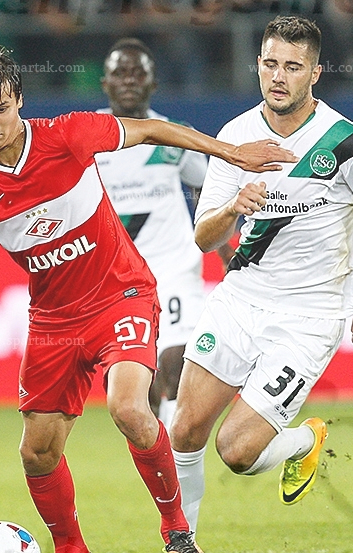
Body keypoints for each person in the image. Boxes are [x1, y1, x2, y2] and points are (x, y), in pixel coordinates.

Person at [0, 46, 296, 553]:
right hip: (52, 320)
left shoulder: (66, 135)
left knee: (128, 406)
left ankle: (178, 535)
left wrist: (231, 152)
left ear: (19, 100)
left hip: (121, 293)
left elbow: (151, 130)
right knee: (37, 451)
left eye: (0, 108)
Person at [153, 15, 353, 553]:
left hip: (309, 317)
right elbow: (203, 238)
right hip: (240, 298)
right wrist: (233, 206)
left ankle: (303, 441)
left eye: (293, 67)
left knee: (237, 452)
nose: (278, 76)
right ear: (257, 65)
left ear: (315, 73)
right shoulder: (235, 135)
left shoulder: (348, 143)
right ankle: (180, 551)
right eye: (270, 64)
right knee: (185, 428)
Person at [95, 38, 211, 427]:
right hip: (117, 278)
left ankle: (179, 457)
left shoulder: (174, 135)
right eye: (120, 73)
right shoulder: (85, 139)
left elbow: (206, 188)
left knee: (176, 365)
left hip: (174, 267)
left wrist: (223, 244)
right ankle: (158, 450)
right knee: (138, 389)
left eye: (138, 73)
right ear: (105, 83)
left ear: (153, 83)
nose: (129, 80)